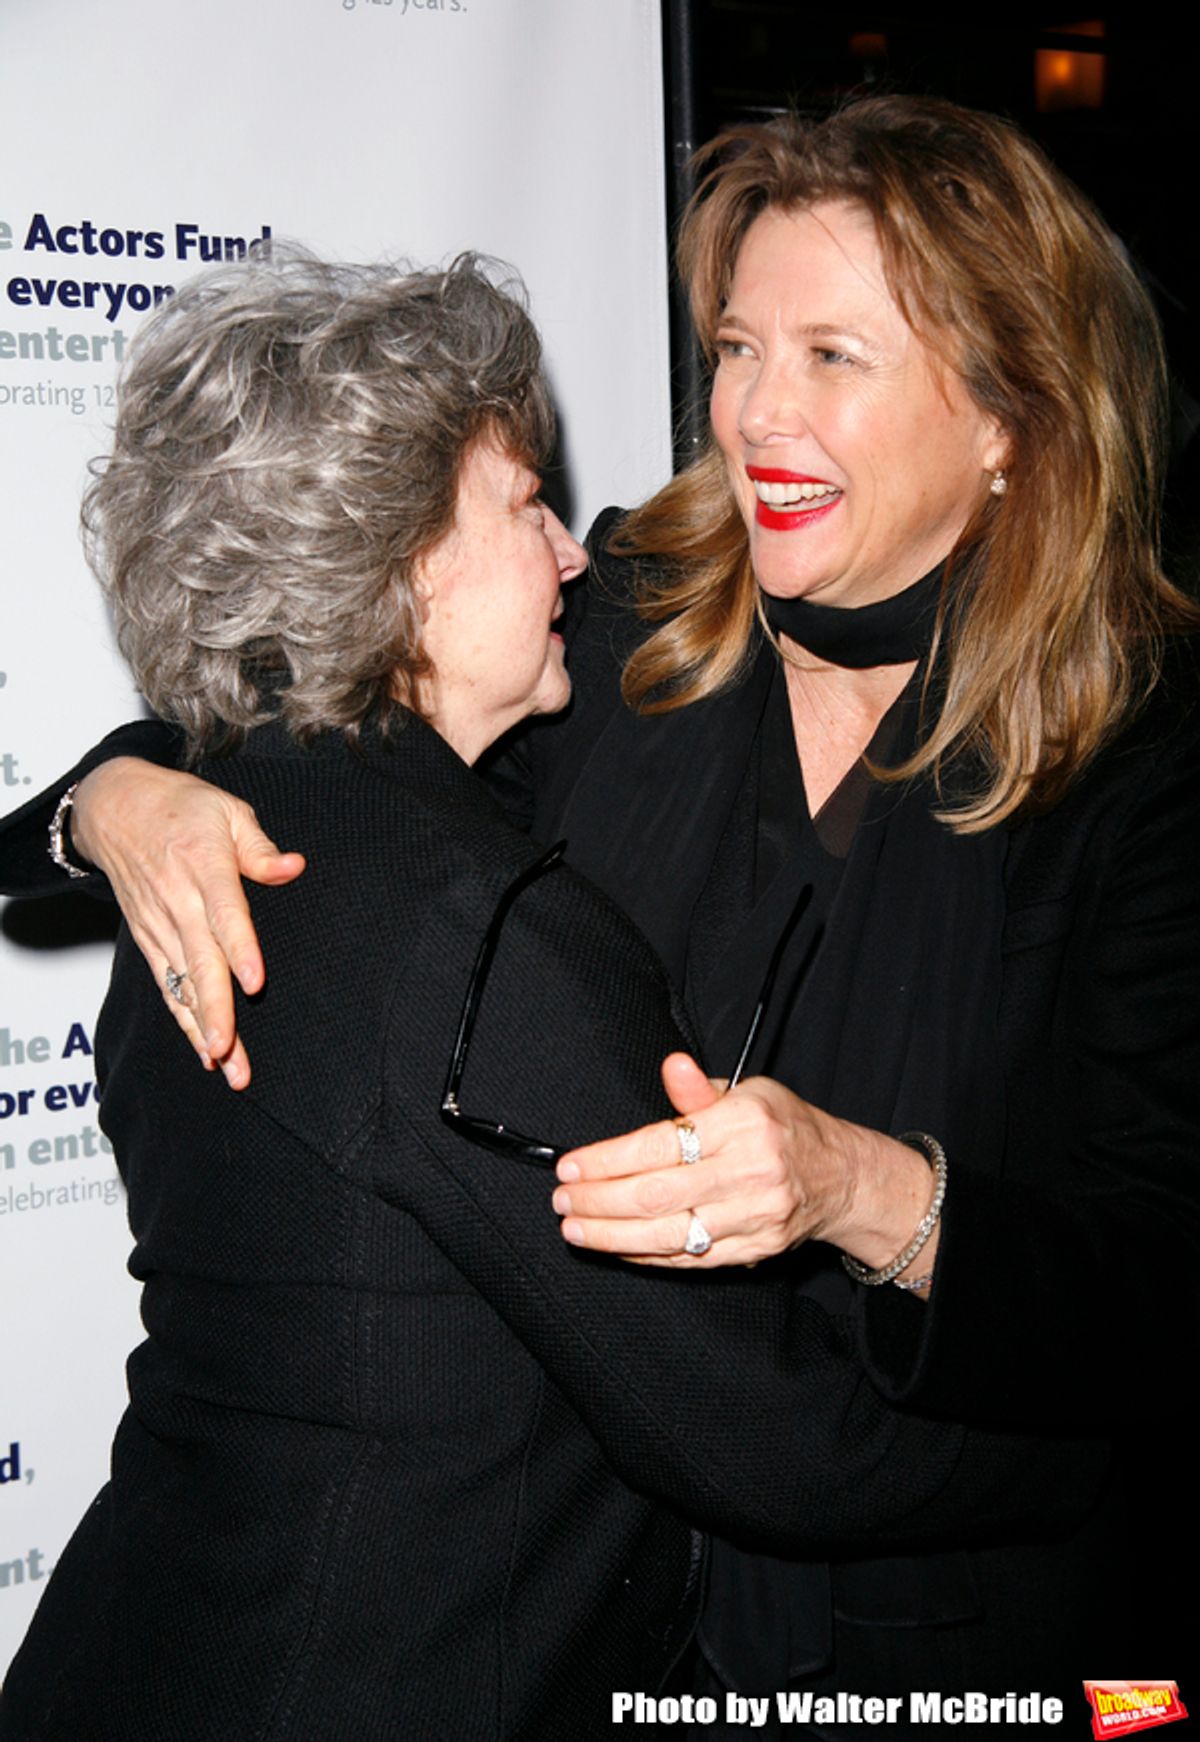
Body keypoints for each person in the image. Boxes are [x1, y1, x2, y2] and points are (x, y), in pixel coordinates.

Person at [3, 95, 1197, 1713]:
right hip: (628, 1640)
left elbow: (1150, 1282)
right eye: (734, 346)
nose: (755, 414)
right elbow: (340, 714)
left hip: (949, 1627)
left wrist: (872, 1193)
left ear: (1009, 414)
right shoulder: (625, 612)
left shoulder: (1144, 752)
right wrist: (108, 797)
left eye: (832, 357)